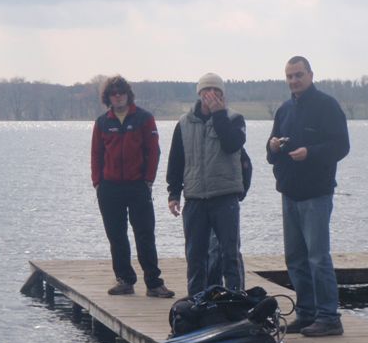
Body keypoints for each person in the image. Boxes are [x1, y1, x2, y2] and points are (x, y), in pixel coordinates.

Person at [266, 56, 350, 337]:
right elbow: (270, 154)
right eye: (289, 76)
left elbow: (341, 146)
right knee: (295, 258)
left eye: (298, 75)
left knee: (318, 257)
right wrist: (274, 146)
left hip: (316, 194)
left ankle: (329, 317)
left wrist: (310, 153)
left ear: (311, 75)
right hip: (289, 193)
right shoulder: (284, 110)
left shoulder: (327, 106)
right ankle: (306, 313)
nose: (294, 81)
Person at [91, 75, 174, 298]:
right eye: (113, 93)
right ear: (108, 97)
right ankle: (125, 280)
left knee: (145, 234)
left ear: (128, 94)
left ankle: (154, 283)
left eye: (121, 92)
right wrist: (97, 182)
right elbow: (96, 154)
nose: (117, 96)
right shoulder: (102, 122)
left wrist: (148, 179)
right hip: (109, 188)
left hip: (138, 186)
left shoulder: (144, 119)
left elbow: (154, 151)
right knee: (116, 236)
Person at [167, 72, 246, 296]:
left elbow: (232, 144)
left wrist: (219, 114)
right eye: (206, 91)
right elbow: (176, 161)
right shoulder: (183, 123)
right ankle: (195, 302)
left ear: (222, 95)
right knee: (195, 257)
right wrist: (174, 194)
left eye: (216, 92)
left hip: (225, 197)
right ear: (199, 94)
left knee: (229, 255)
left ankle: (235, 299)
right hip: (194, 199)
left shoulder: (234, 119)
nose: (211, 96)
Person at [206, 147, 252, 288]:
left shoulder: (231, 139)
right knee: (212, 250)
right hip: (202, 199)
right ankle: (212, 290)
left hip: (227, 199)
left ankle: (237, 292)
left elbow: (246, 165)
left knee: (229, 250)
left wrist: (241, 192)